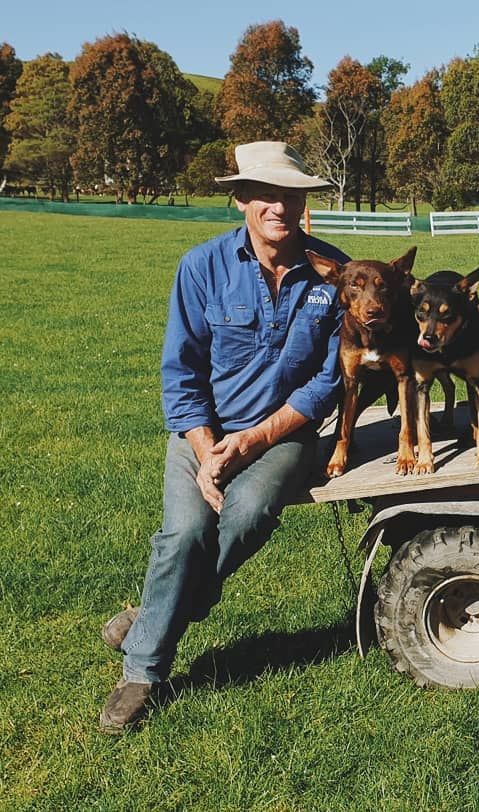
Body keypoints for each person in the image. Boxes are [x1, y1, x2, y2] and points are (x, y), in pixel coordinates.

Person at [98, 142, 349, 733]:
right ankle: (143, 674)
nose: (279, 207)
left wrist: (255, 440)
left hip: (283, 434)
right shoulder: (201, 266)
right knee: (184, 533)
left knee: (250, 513)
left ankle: (151, 622)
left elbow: (327, 381)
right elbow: (180, 372)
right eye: (265, 194)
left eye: (290, 196)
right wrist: (208, 448)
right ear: (240, 200)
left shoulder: (335, 273)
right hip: (203, 434)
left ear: (304, 203)